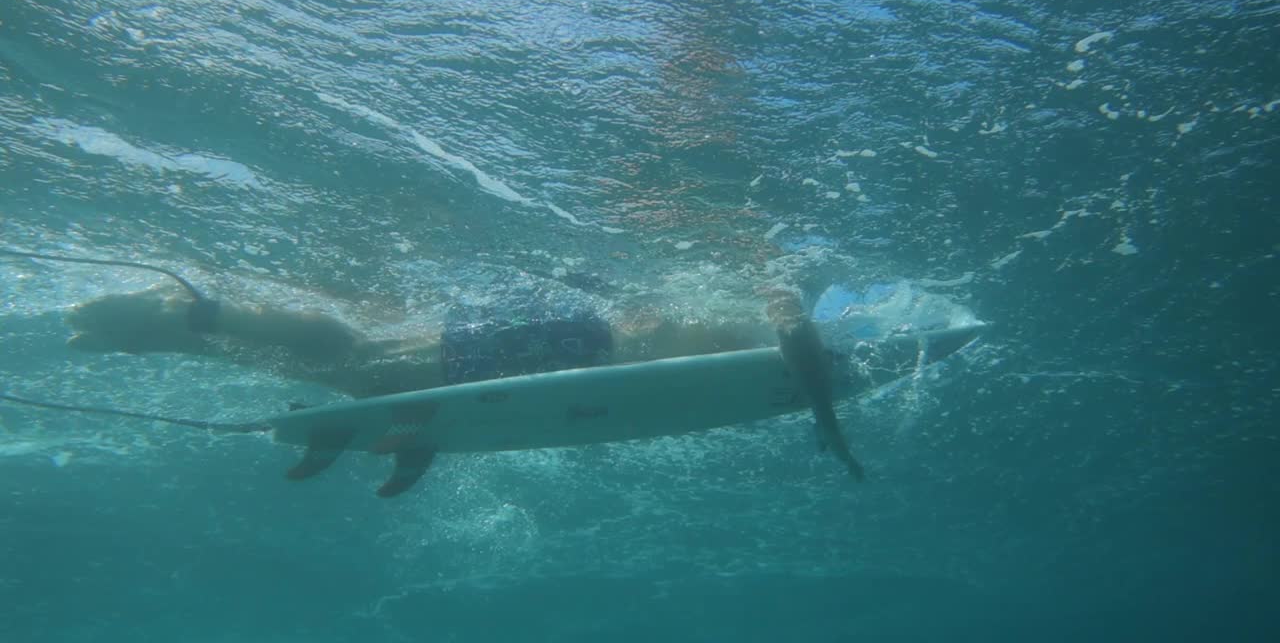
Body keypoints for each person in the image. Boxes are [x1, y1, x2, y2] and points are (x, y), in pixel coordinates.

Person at [62, 281, 983, 484]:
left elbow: (533, 422)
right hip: (565, 338)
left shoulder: (787, 324)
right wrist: (836, 424)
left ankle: (178, 337)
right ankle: (198, 313)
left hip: (566, 357)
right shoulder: (785, 304)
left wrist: (438, 432)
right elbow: (795, 331)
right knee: (346, 353)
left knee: (348, 373)